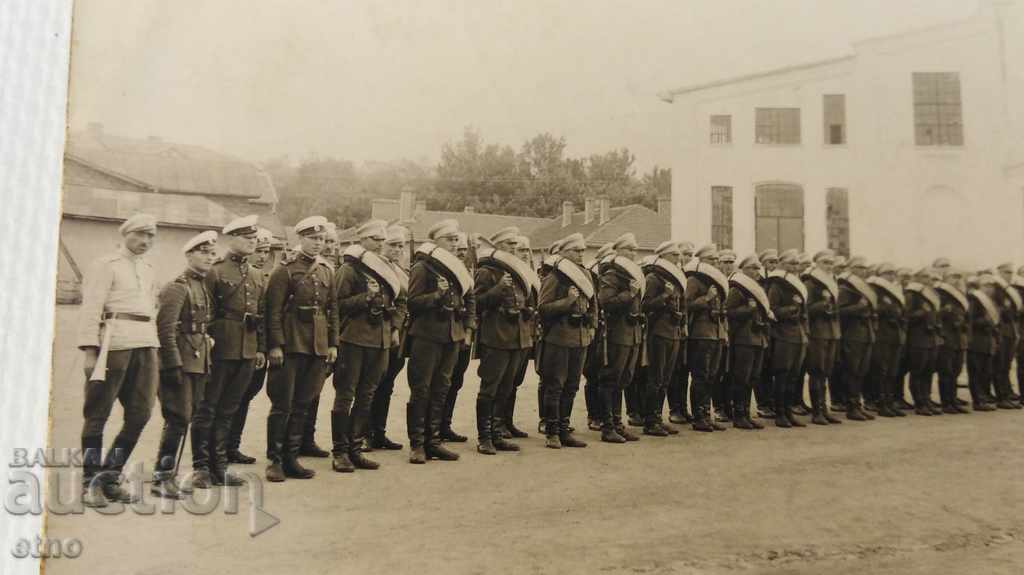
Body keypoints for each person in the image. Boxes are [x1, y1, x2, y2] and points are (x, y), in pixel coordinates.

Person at [77, 214, 161, 507]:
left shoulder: (149, 268)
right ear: (125, 234)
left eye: (150, 236)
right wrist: (90, 350)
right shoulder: (106, 265)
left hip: (146, 343)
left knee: (141, 414)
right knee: (97, 414)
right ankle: (90, 483)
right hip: (113, 345)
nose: (145, 241)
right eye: (140, 234)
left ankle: (110, 477)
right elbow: (91, 307)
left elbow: (152, 309)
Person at [263, 215, 338, 481]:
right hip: (291, 343)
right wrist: (275, 345)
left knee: (303, 403)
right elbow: (272, 311)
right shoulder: (285, 270)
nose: (318, 243)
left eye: (321, 239)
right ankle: (275, 460)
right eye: (312, 238)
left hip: (317, 345)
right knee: (282, 404)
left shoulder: (327, 271)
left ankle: (291, 458)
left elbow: (332, 310)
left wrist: (332, 343)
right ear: (301, 239)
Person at [329, 220, 401, 472]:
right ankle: (340, 451)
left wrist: (394, 326)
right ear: (362, 241)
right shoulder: (350, 269)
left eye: (382, 240)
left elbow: (399, 301)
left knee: (367, 395)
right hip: (354, 339)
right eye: (374, 239)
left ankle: (355, 449)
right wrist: (366, 297)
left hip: (380, 340)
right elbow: (337, 305)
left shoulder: (386, 269)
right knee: (345, 395)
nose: (380, 244)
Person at [199, 215, 265, 488]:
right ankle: (202, 467)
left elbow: (261, 314)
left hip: (247, 349)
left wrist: (260, 348)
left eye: (254, 238)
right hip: (221, 347)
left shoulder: (256, 274)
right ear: (231, 239)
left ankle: (220, 467)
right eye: (247, 238)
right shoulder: (215, 271)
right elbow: (205, 313)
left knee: (228, 410)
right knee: (208, 408)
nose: (252, 242)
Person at [151, 231, 217, 499]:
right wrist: (172, 365)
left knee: (187, 417)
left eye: (212, 253)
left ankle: (171, 475)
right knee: (177, 419)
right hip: (180, 363)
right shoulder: (177, 286)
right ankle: (162, 478)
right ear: (189, 255)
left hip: (197, 361)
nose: (209, 257)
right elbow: (165, 329)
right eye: (204, 252)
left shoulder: (201, 284)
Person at [406, 219, 476, 463]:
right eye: (449, 239)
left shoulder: (458, 268)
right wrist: (437, 295)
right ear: (435, 241)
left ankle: (433, 442)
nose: (454, 244)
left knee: (441, 388)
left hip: (452, 335)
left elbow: (470, 299)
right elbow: (413, 303)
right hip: (427, 335)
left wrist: (468, 327)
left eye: (456, 239)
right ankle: (417, 444)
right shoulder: (423, 267)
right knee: (421, 389)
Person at [473, 227, 535, 453]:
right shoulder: (487, 271)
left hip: (517, 337)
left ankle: (497, 433)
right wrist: (498, 289)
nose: (514, 248)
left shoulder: (518, 272)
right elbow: (477, 303)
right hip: (496, 337)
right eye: (510, 244)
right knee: (489, 388)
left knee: (506, 387)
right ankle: (484, 437)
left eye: (516, 244)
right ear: (497, 246)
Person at [537, 233, 594, 448]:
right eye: (576, 250)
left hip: (580, 338)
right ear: (564, 252)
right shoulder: (555, 276)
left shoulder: (585, 275)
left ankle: (564, 429)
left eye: (582, 250)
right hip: (559, 337)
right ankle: (552, 432)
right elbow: (543, 308)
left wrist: (592, 326)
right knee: (555, 386)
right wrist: (568, 301)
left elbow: (593, 304)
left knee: (572, 386)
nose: (581, 254)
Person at [228, 228, 276, 464]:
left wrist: (262, 348)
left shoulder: (264, 278)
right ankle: (220, 447)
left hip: (255, 347)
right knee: (229, 398)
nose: (262, 256)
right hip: (233, 345)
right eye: (259, 250)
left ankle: (232, 446)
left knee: (246, 396)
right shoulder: (236, 273)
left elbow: (265, 318)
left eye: (266, 251)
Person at [597, 233, 646, 443]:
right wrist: (630, 294)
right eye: (629, 249)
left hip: (632, 334)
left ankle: (617, 423)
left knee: (623, 380)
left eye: (635, 249)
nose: (633, 253)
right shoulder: (612, 275)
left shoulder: (632, 276)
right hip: (617, 334)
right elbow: (605, 302)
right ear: (618, 251)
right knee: (610, 379)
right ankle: (607, 427)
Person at [367, 225, 410, 451]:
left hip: (397, 334)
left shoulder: (401, 270)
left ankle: (379, 432)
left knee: (387, 385)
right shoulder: (374, 268)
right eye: (393, 244)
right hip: (377, 332)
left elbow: (403, 301)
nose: (397, 249)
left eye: (401, 246)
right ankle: (364, 433)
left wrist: (397, 327)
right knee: (371, 385)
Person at [640, 241, 687, 436]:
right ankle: (650, 421)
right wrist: (665, 296)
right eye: (674, 255)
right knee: (656, 378)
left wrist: (682, 320)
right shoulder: (653, 278)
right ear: (663, 256)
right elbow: (645, 305)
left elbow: (683, 304)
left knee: (665, 379)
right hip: (658, 332)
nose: (678, 258)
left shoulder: (676, 278)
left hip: (673, 332)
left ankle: (657, 418)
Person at [685, 244, 730, 432]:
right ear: (702, 260)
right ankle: (698, 417)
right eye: (712, 259)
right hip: (700, 334)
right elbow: (686, 304)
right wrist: (707, 298)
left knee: (712, 377)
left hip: (716, 334)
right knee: (700, 376)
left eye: (716, 259)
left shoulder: (717, 282)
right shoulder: (695, 280)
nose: (715, 262)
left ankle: (706, 414)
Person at [726, 255, 773, 429]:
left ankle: (745, 413)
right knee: (741, 378)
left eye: (757, 268)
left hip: (757, 338)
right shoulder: (737, 288)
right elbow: (729, 312)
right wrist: (748, 309)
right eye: (753, 268)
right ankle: (738, 415)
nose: (756, 272)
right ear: (744, 269)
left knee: (753, 378)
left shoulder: (756, 288)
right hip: (743, 339)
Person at [765, 250, 809, 428]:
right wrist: (792, 308)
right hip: (783, 335)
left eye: (796, 263)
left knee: (793, 376)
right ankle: (780, 413)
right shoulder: (777, 284)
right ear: (782, 264)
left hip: (798, 335)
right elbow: (771, 310)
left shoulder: (797, 284)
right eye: (791, 263)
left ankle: (789, 412)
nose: (795, 267)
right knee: (782, 375)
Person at [440, 232, 476, 442]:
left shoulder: (466, 272)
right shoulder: (443, 269)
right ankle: (434, 428)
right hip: (446, 332)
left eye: (464, 249)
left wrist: (469, 330)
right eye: (458, 248)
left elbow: (471, 302)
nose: (460, 252)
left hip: (462, 333)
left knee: (456, 382)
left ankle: (445, 425)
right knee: (442, 382)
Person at [802, 250, 843, 427]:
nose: (829, 266)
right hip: (817, 332)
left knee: (826, 371)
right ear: (816, 263)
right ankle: (817, 412)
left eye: (831, 263)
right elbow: (806, 309)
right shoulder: (811, 282)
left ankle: (824, 409)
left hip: (832, 332)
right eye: (825, 262)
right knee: (817, 371)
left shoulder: (832, 281)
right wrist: (823, 304)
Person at [837, 256, 877, 421]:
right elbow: (840, 311)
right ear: (851, 268)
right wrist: (859, 307)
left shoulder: (864, 287)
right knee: (852, 371)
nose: (863, 270)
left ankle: (857, 405)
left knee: (861, 372)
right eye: (859, 267)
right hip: (852, 335)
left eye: (864, 268)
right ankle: (851, 407)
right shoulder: (846, 288)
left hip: (866, 335)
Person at [866, 263, 908, 418]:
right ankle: (880, 403)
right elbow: (873, 308)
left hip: (895, 335)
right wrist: (888, 309)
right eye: (887, 273)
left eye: (892, 273)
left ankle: (889, 402)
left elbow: (903, 312)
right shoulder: (875, 288)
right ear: (879, 275)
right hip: (882, 335)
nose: (890, 276)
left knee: (892, 371)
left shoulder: (895, 290)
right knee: (881, 370)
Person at [904, 268, 943, 416]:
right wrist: (922, 313)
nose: (929, 280)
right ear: (917, 277)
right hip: (918, 339)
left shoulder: (933, 294)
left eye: (930, 277)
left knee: (928, 372)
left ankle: (927, 400)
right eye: (925, 276)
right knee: (918, 372)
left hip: (932, 338)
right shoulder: (912, 293)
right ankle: (919, 403)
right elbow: (906, 316)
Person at [583, 242, 613, 431]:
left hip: (607, 330)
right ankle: (593, 415)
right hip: (596, 329)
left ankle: (604, 415)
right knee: (592, 373)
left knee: (606, 374)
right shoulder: (592, 275)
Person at [934, 268, 972, 414]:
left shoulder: (961, 295)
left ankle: (953, 400)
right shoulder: (940, 293)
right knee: (946, 372)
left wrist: (964, 324)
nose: (956, 280)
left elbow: (967, 316)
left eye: (958, 277)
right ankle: (946, 403)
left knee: (956, 371)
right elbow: (935, 315)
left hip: (959, 338)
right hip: (947, 338)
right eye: (952, 277)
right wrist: (945, 312)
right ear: (945, 278)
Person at [668, 242, 695, 424]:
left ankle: (683, 408)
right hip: (674, 328)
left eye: (689, 254)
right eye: (683, 254)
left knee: (684, 371)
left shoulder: (691, 275)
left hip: (686, 330)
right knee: (674, 371)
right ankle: (675, 409)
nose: (686, 258)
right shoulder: (674, 276)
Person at [967, 275, 1000, 411]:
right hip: (977, 341)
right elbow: (970, 320)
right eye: (986, 285)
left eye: (992, 286)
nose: (990, 289)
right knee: (977, 372)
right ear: (980, 286)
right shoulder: (975, 299)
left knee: (986, 372)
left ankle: (984, 398)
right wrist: (986, 321)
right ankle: (978, 400)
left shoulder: (990, 301)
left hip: (988, 341)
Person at [712, 249, 737, 422]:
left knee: (730, 371)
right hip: (719, 329)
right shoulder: (715, 280)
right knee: (717, 371)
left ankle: (728, 405)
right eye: (725, 262)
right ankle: (718, 407)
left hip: (734, 331)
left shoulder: (737, 281)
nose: (728, 265)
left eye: (731, 262)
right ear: (719, 263)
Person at [754, 248, 779, 419]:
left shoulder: (777, 281)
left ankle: (771, 402)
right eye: (770, 262)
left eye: (776, 262)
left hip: (774, 330)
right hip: (761, 328)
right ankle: (763, 404)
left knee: (771, 367)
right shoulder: (758, 282)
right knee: (762, 369)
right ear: (763, 264)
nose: (773, 265)